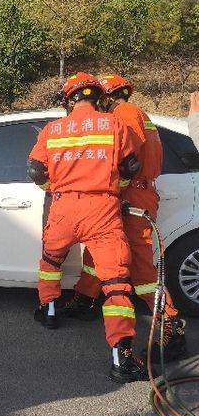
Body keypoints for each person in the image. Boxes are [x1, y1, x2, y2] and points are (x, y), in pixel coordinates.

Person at [28, 72, 146, 383]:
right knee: (117, 283)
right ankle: (122, 357)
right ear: (98, 97)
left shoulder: (54, 130)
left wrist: (56, 189)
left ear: (69, 99)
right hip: (103, 210)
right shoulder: (115, 124)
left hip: (65, 207)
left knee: (51, 261)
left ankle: (49, 310)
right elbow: (130, 166)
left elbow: (35, 170)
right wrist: (116, 188)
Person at [64, 75, 186, 362]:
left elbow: (125, 161)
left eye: (98, 98)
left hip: (132, 197)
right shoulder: (133, 113)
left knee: (140, 267)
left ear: (108, 96)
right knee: (99, 253)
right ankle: (86, 299)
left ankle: (170, 326)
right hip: (131, 195)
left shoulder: (125, 114)